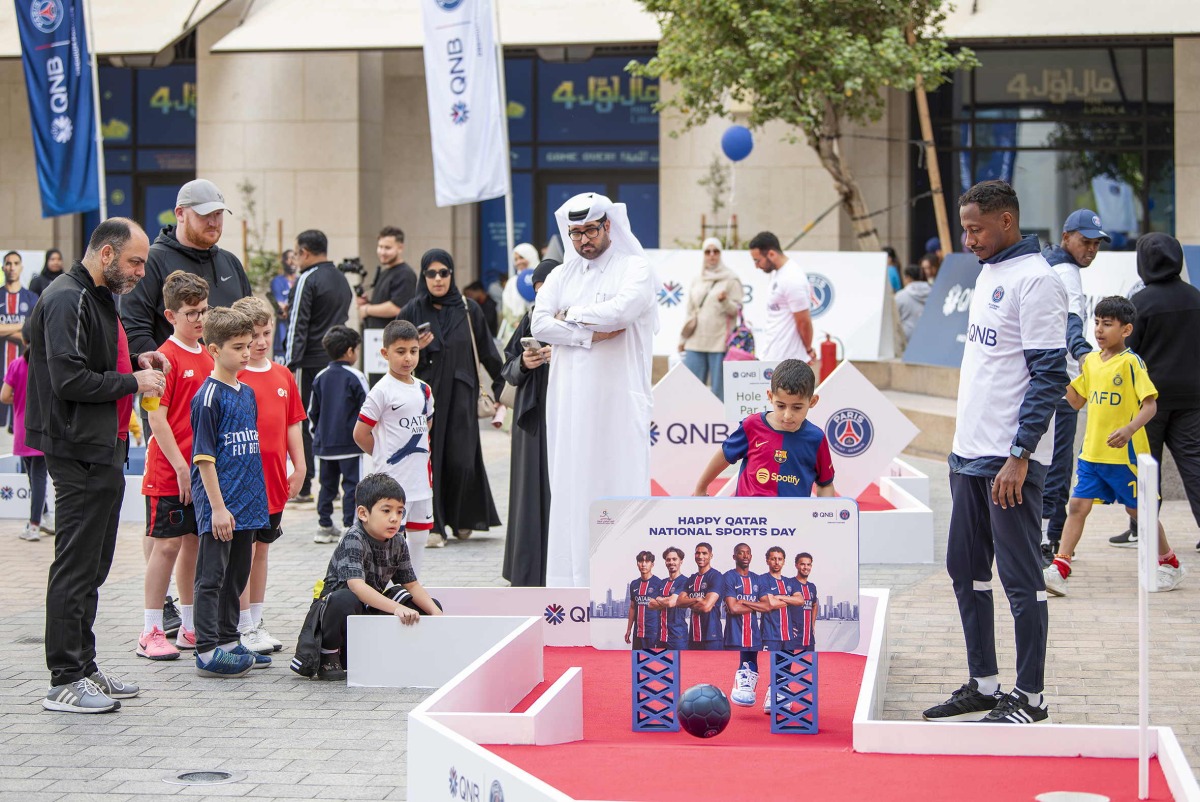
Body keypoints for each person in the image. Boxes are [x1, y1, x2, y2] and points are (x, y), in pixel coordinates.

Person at [922, 180, 1067, 726]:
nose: (968, 238)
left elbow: (1049, 375)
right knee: (965, 569)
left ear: (1007, 222)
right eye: (965, 228)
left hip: (1009, 462)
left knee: (1021, 580)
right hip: (969, 455)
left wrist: (1021, 452)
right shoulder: (989, 273)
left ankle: (1032, 698)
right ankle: (984, 684)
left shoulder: (1037, 281)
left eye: (976, 228)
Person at [27, 217, 169, 712]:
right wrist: (134, 384)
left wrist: (139, 364)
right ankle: (64, 677)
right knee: (76, 565)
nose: (139, 271)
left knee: (95, 565)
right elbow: (69, 379)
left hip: (103, 445)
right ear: (106, 255)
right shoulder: (68, 296)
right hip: (76, 447)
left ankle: (84, 667)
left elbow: (100, 363)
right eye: (134, 261)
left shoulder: (100, 296)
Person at [530, 192, 657, 586]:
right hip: (569, 407)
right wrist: (587, 336)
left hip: (618, 405)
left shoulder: (634, 268)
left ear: (608, 227)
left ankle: (624, 585)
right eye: (576, 233)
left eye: (590, 230)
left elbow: (622, 311)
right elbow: (538, 324)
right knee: (571, 493)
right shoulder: (560, 275)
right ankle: (571, 586)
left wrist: (570, 315)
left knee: (619, 488)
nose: (584, 240)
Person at [1043, 296, 1186, 596]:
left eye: (1107, 324)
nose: (1099, 329)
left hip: (1125, 457)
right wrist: (1056, 375)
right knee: (1077, 506)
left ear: (1126, 329)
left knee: (1140, 513)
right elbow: (1077, 400)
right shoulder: (1092, 362)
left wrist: (1129, 429)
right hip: (1091, 454)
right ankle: (1060, 568)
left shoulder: (1132, 363)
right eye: (1096, 323)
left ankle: (1170, 564)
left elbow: (1150, 405)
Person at [399, 249, 502, 547]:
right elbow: (394, 353)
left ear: (452, 274)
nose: (438, 279)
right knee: (429, 461)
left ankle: (463, 518)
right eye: (431, 273)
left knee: (461, 460)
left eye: (444, 272)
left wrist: (505, 387)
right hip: (424, 397)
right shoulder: (412, 311)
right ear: (423, 276)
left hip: (461, 395)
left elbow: (487, 352)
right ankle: (434, 526)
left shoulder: (469, 309)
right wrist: (414, 347)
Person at [190, 306, 271, 677]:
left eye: (248, 345)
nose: (245, 352)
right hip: (221, 505)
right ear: (213, 349)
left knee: (237, 574)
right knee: (212, 576)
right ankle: (206, 649)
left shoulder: (248, 393)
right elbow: (205, 459)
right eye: (237, 347)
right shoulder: (208, 397)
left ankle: (227, 639)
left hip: (249, 503)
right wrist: (218, 508)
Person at [136, 271, 213, 661]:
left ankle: (189, 624)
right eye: (190, 313)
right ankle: (150, 629)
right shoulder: (163, 358)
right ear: (170, 315)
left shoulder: (210, 355)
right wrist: (182, 467)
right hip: (169, 470)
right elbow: (156, 418)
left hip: (200, 471)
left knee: (193, 547)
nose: (199, 319)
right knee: (165, 547)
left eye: (203, 310)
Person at [1111, 233, 1200, 553]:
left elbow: (1127, 353)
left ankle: (1143, 530)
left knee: (1147, 467)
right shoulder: (1195, 297)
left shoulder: (1141, 303)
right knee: (1194, 465)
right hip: (1192, 398)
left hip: (1149, 401)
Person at [231, 296, 307, 655]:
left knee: (262, 550)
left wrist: (300, 465)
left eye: (266, 333)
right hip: (242, 480)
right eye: (253, 336)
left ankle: (256, 621)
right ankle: (242, 623)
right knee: (242, 553)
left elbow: (293, 423)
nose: (261, 342)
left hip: (274, 481)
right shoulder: (235, 375)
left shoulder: (283, 375)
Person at [316, 473, 443, 681]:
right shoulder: (353, 538)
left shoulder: (398, 541)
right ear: (363, 513)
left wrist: (436, 613)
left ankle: (389, 649)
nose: (395, 518)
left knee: (427, 605)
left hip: (368, 608)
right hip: (338, 611)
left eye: (400, 512)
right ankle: (329, 653)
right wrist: (396, 608)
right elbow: (356, 586)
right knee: (344, 598)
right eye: (386, 510)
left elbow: (411, 584)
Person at [121, 179, 252, 359]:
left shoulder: (231, 262)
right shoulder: (151, 261)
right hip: (176, 382)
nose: (213, 222)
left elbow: (248, 325)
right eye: (205, 214)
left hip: (232, 381)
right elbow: (135, 333)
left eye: (218, 213)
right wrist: (175, 371)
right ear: (180, 213)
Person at [1038, 209, 1104, 562]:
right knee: (1058, 463)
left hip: (1037, 378)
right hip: (1061, 383)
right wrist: (1082, 353)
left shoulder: (1046, 263)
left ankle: (1042, 535)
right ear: (1066, 237)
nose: (1091, 249)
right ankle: (1051, 540)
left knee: (1041, 458)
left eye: (1095, 244)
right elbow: (1071, 318)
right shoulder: (1066, 271)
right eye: (1085, 241)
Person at [354, 320, 436, 576]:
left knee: (420, 535)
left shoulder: (424, 389)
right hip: (393, 480)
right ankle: (387, 591)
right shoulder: (381, 391)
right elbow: (360, 433)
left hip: (421, 480)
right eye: (400, 352)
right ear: (385, 353)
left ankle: (415, 586)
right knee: (389, 539)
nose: (408, 358)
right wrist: (383, 455)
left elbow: (426, 424)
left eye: (413, 351)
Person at [692, 359, 837, 498]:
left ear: (812, 401)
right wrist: (700, 488)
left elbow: (825, 485)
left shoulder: (816, 438)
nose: (787, 415)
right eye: (780, 406)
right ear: (770, 396)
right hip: (748, 518)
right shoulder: (752, 425)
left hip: (792, 519)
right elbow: (725, 455)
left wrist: (827, 518)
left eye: (797, 407)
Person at [498, 258, 559, 587]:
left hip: (563, 416)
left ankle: (557, 569)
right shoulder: (531, 318)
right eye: (537, 290)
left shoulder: (576, 319)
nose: (542, 296)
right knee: (527, 495)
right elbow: (507, 370)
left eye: (547, 288)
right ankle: (525, 573)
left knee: (558, 491)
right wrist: (525, 360)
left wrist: (560, 356)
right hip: (530, 420)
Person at [285, 229, 353, 502]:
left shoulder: (307, 279)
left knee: (302, 421)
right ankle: (332, 485)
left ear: (304, 252)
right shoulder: (341, 280)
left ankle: (304, 485)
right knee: (332, 421)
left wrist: (289, 364)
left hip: (308, 361)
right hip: (335, 361)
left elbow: (297, 325)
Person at [310, 325, 369, 543]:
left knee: (327, 485)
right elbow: (368, 409)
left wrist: (318, 436)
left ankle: (324, 526)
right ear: (350, 351)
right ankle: (348, 526)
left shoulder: (320, 376)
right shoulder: (356, 376)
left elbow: (312, 412)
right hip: (350, 444)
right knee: (352, 485)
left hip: (325, 445)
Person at [679, 238, 743, 400]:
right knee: (691, 390)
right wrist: (682, 339)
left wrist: (725, 302)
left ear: (721, 254)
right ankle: (691, 422)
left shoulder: (731, 279)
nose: (712, 255)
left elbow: (737, 310)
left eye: (716, 251)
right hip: (695, 341)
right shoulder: (697, 279)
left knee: (719, 394)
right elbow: (690, 311)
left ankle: (719, 425)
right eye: (708, 251)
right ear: (704, 254)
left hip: (720, 343)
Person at [2, 321, 47, 541]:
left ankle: (36, 523)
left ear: (23, 339)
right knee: (39, 477)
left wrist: (19, 400)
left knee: (33, 477)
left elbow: (4, 396)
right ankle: (40, 520)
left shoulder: (17, 364)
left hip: (23, 429)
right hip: (43, 429)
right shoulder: (47, 364)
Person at [358, 226, 417, 385]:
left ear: (400, 247)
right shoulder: (385, 272)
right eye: (380, 247)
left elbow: (397, 307)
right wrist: (368, 303)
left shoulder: (405, 274)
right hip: (376, 344)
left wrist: (367, 309)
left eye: (387, 248)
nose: (382, 252)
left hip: (391, 347)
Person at [747, 231, 815, 362]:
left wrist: (808, 350)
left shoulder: (792, 278)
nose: (756, 266)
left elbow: (803, 321)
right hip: (773, 355)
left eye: (757, 260)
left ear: (771, 254)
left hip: (787, 360)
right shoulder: (778, 273)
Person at [724, 542, 771, 707]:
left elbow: (767, 606)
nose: (745, 555)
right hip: (734, 635)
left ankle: (758, 689)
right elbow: (732, 608)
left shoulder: (757, 579)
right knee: (743, 662)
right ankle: (740, 682)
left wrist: (742, 601)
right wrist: (754, 605)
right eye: (741, 553)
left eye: (748, 553)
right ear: (734, 556)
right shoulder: (729, 577)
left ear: (751, 556)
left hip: (754, 635)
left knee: (752, 662)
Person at [1, 252, 38, 410]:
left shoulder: (31, 297)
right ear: (3, 268)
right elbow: (27, 328)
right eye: (8, 263)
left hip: (24, 367)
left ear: (21, 267)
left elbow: (34, 329)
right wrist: (22, 325)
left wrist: (4, 330)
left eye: (16, 263)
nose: (12, 267)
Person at [678, 541, 722, 650]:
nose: (700, 556)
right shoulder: (691, 579)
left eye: (704, 553)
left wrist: (688, 602)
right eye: (697, 553)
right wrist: (697, 599)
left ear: (711, 556)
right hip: (693, 636)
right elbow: (679, 602)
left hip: (712, 637)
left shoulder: (716, 576)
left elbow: (706, 607)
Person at [650, 546, 689, 650]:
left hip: (678, 636)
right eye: (668, 560)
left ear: (681, 561)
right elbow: (650, 604)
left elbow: (672, 602)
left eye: (674, 559)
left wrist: (659, 599)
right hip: (661, 636)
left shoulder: (685, 581)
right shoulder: (661, 583)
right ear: (665, 562)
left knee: (680, 665)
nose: (671, 562)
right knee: (660, 665)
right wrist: (666, 600)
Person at [499, 243, 539, 343]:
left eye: (521, 257)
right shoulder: (512, 283)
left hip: (539, 331)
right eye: (516, 259)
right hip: (515, 333)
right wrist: (518, 325)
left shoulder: (543, 279)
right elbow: (506, 309)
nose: (518, 262)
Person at [624, 551, 664, 650]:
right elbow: (633, 607)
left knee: (653, 662)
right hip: (637, 632)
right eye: (641, 561)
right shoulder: (634, 584)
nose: (643, 564)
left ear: (652, 564)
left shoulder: (659, 583)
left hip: (653, 632)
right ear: (637, 563)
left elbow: (663, 608)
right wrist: (629, 629)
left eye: (647, 561)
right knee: (638, 661)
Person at [270, 250, 297, 361]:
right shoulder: (277, 281)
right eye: (289, 258)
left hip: (298, 337)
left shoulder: (301, 281)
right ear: (284, 261)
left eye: (294, 258)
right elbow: (281, 309)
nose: (292, 262)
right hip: (282, 335)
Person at [895, 264, 931, 340]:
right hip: (928, 336)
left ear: (907, 278)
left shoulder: (900, 296)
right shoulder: (933, 293)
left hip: (907, 338)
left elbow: (895, 319)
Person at [791, 552, 819, 652]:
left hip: (809, 638)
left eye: (808, 564)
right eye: (802, 564)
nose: (805, 567)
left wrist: (813, 625)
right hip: (793, 637)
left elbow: (814, 604)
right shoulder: (790, 583)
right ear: (796, 565)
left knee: (809, 666)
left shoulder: (812, 587)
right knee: (785, 666)